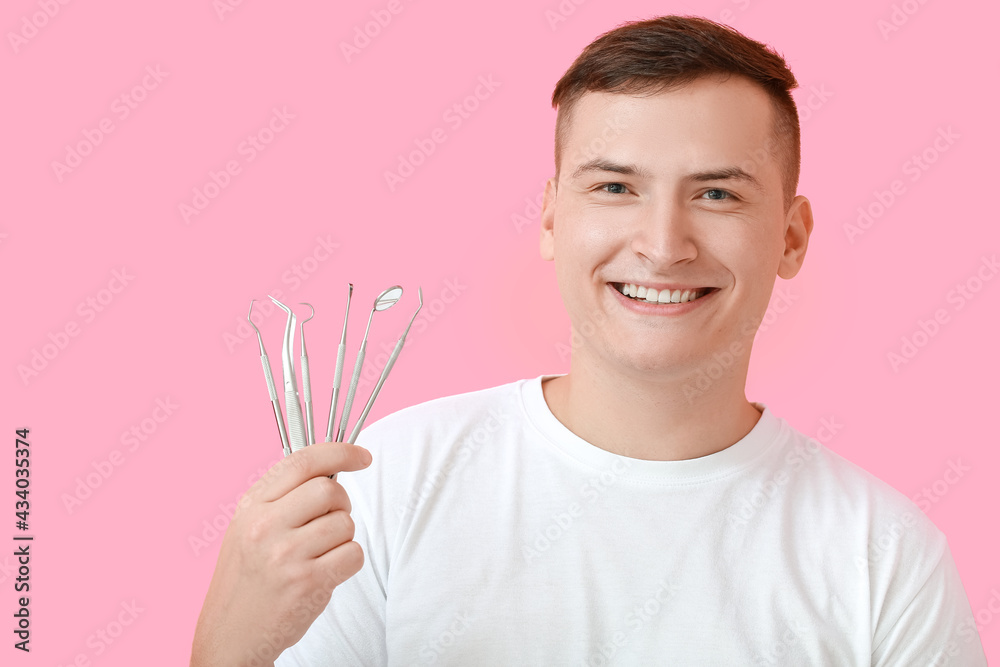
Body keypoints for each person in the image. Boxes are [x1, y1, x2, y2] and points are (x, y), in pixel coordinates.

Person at [191, 15, 988, 666]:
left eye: (716, 192)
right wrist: (229, 647)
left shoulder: (885, 558)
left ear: (790, 236)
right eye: (615, 187)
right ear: (549, 218)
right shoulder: (385, 484)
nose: (663, 243)